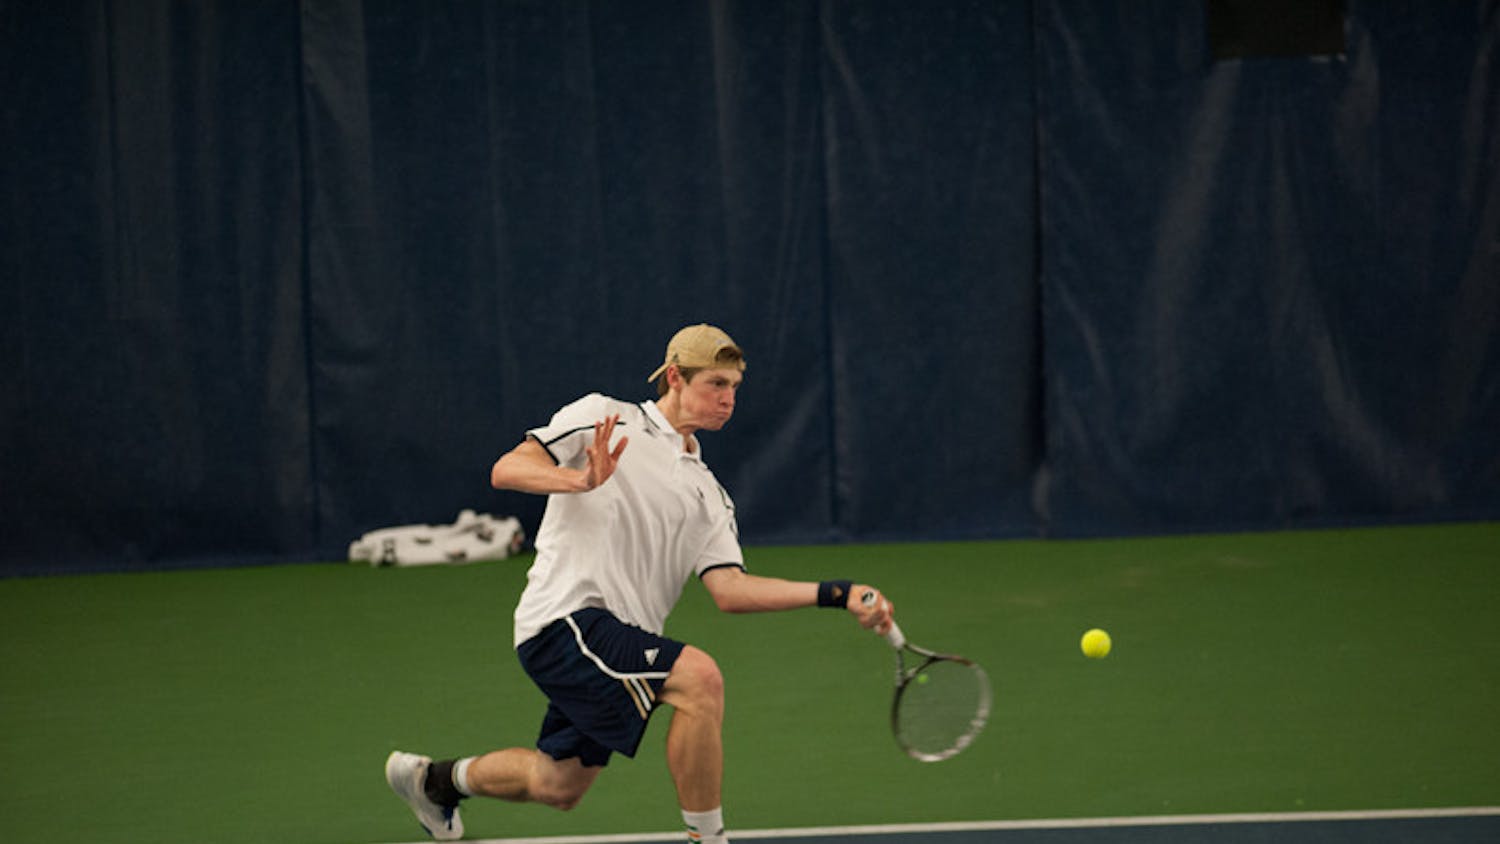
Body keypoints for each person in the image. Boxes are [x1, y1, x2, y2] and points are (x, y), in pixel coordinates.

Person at [385, 323, 894, 843]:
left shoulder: (708, 494)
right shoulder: (604, 417)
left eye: (735, 388)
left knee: (559, 783)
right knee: (700, 680)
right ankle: (709, 840)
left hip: (615, 643)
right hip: (563, 620)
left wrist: (838, 593)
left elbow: (731, 591)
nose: (728, 399)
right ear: (675, 376)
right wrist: (577, 480)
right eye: (716, 384)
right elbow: (508, 468)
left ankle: (437, 782)